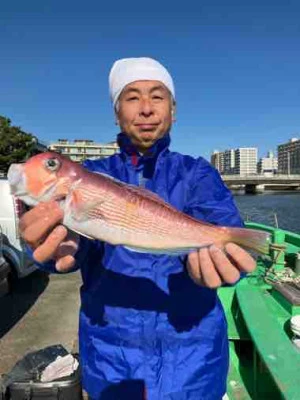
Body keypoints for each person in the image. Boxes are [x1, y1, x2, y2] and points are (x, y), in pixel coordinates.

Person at [20, 57, 255, 400]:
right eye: (132, 97)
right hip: (111, 363)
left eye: (157, 97)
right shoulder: (88, 175)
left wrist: (226, 263)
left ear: (173, 110)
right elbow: (75, 245)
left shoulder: (199, 174)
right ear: (116, 113)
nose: (146, 108)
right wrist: (52, 249)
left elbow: (228, 234)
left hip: (196, 360)